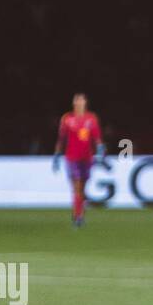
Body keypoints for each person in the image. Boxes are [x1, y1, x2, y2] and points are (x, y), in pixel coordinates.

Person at [53, 92, 105, 227]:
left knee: (82, 188)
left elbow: (97, 137)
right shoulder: (67, 119)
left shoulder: (91, 119)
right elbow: (62, 139)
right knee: (76, 187)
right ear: (74, 103)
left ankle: (79, 211)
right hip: (72, 158)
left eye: (82, 100)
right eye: (77, 100)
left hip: (87, 158)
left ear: (85, 102)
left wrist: (100, 148)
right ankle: (78, 216)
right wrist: (57, 155)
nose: (79, 102)